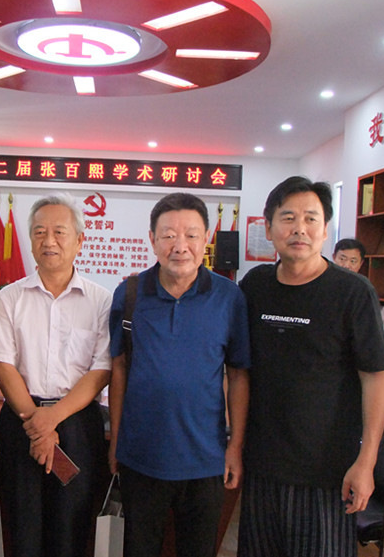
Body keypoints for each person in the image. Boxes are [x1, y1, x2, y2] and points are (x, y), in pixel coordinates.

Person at [238, 176, 384, 557]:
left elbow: (375, 379)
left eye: (311, 218)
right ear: (268, 228)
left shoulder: (352, 292)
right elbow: (239, 370)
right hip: (262, 465)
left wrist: (366, 462)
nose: (299, 229)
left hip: (328, 472)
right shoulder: (254, 286)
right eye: (288, 218)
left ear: (325, 230)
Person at [107, 192, 250, 557]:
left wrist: (235, 447)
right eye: (169, 235)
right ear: (152, 239)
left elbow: (238, 374)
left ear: (207, 239)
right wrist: (116, 440)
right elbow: (119, 368)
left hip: (205, 459)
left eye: (191, 235)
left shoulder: (228, 297)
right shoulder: (130, 294)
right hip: (141, 456)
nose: (180, 246)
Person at [0, 194, 111, 557]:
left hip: (77, 427)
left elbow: (101, 370)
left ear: (79, 240)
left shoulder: (101, 301)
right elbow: (3, 365)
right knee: (22, 528)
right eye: (40, 232)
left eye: (60, 231)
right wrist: (37, 424)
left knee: (71, 531)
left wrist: (51, 419)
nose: (49, 241)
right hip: (20, 424)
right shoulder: (9, 298)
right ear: (30, 241)